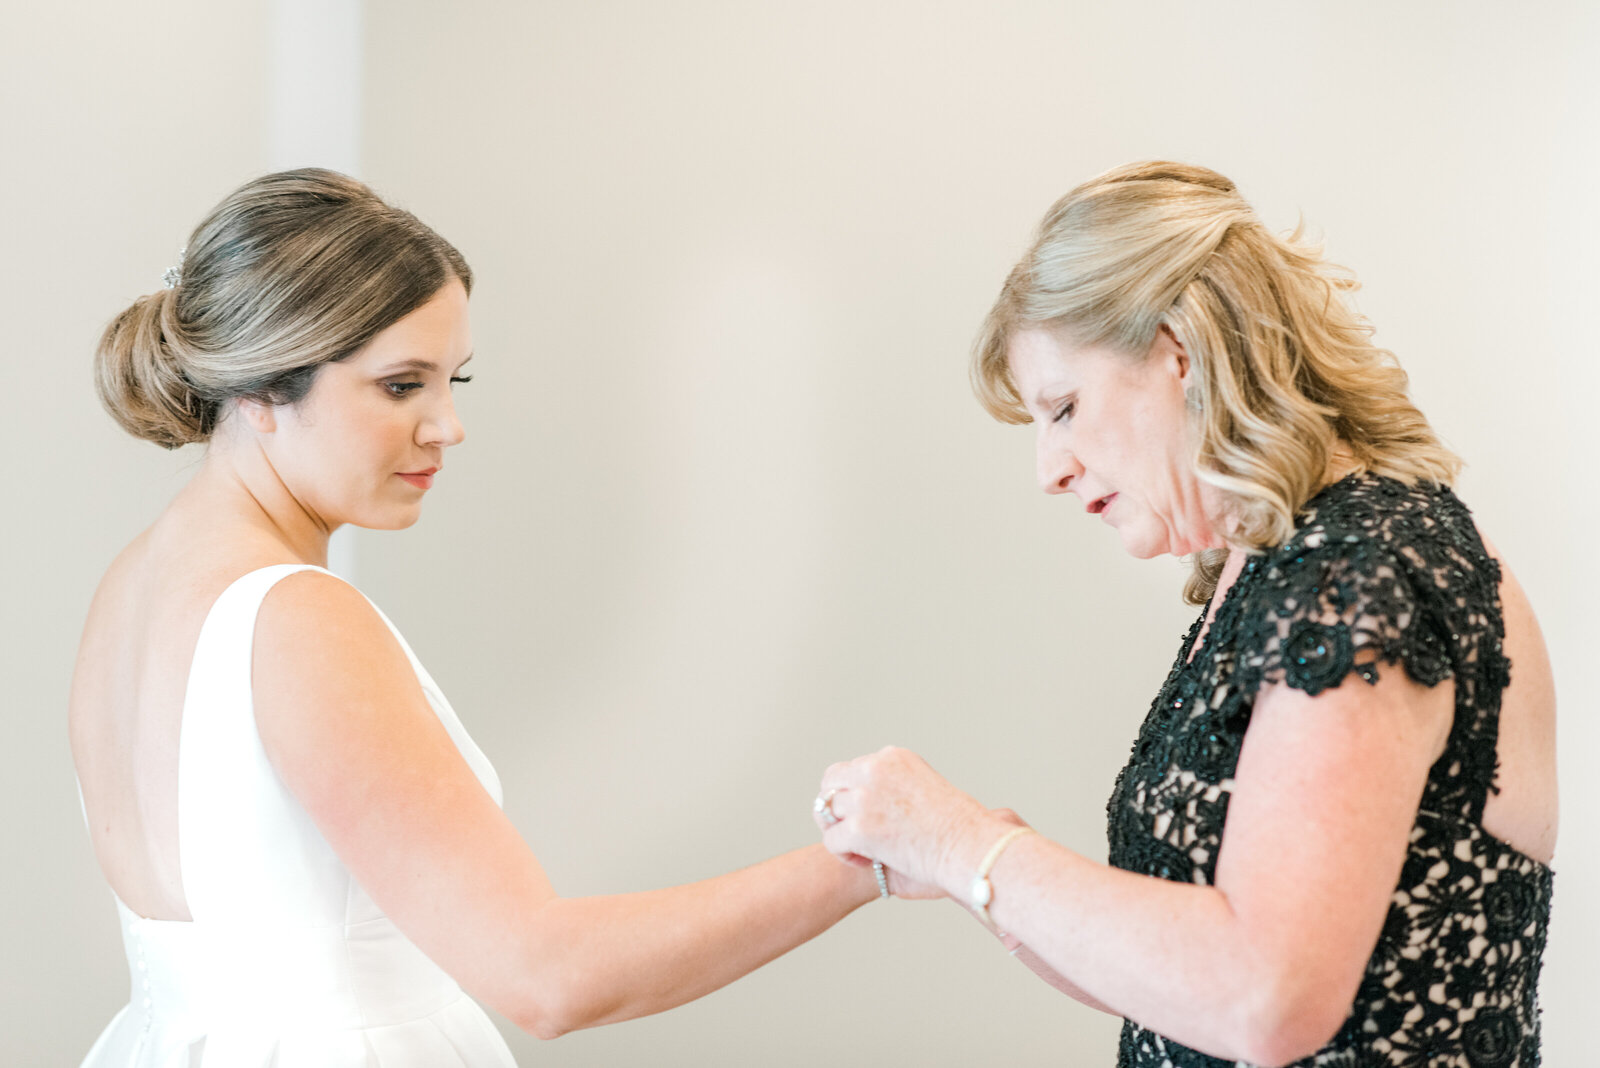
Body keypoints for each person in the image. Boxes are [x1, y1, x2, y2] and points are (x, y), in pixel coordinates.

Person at [71, 168, 916, 1066]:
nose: (448, 425)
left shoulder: (129, 588)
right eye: (402, 386)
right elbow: (548, 976)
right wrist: (871, 860)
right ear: (260, 392)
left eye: (452, 379)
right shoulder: (295, 617)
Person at [814, 161, 1555, 1067]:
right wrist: (969, 872)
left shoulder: (1364, 572)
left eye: (1064, 408)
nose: (1049, 467)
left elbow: (1264, 998)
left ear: (1179, 350)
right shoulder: (1274, 571)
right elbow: (1184, 986)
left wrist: (966, 843)